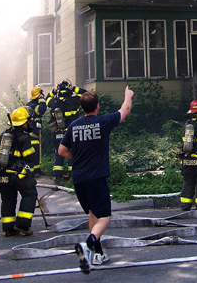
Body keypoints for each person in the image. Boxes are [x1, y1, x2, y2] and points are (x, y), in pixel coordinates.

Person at [58, 86, 133, 274]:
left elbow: (61, 151)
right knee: (105, 216)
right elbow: (125, 110)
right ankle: (88, 245)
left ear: (82, 108)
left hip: (79, 178)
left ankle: (98, 253)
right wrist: (127, 95)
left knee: (93, 213)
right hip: (96, 177)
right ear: (97, 106)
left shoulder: (74, 125)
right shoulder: (102, 122)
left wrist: (78, 158)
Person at [0, 107, 37, 236]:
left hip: (1, 173)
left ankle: (8, 227)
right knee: (30, 193)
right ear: (24, 123)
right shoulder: (23, 137)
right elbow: (30, 157)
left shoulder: (3, 135)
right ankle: (22, 225)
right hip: (17, 173)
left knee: (8, 199)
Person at [46, 79, 87, 183]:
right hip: (71, 131)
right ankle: (72, 176)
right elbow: (87, 95)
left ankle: (57, 176)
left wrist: (52, 92)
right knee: (72, 152)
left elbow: (46, 100)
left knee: (58, 152)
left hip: (57, 132)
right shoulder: (75, 100)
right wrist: (75, 88)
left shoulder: (54, 101)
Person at [26, 86, 47, 176]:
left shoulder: (30, 103)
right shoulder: (34, 105)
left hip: (34, 131)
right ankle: (33, 171)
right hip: (33, 132)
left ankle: (37, 170)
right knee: (34, 152)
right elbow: (41, 110)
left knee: (37, 151)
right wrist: (42, 100)